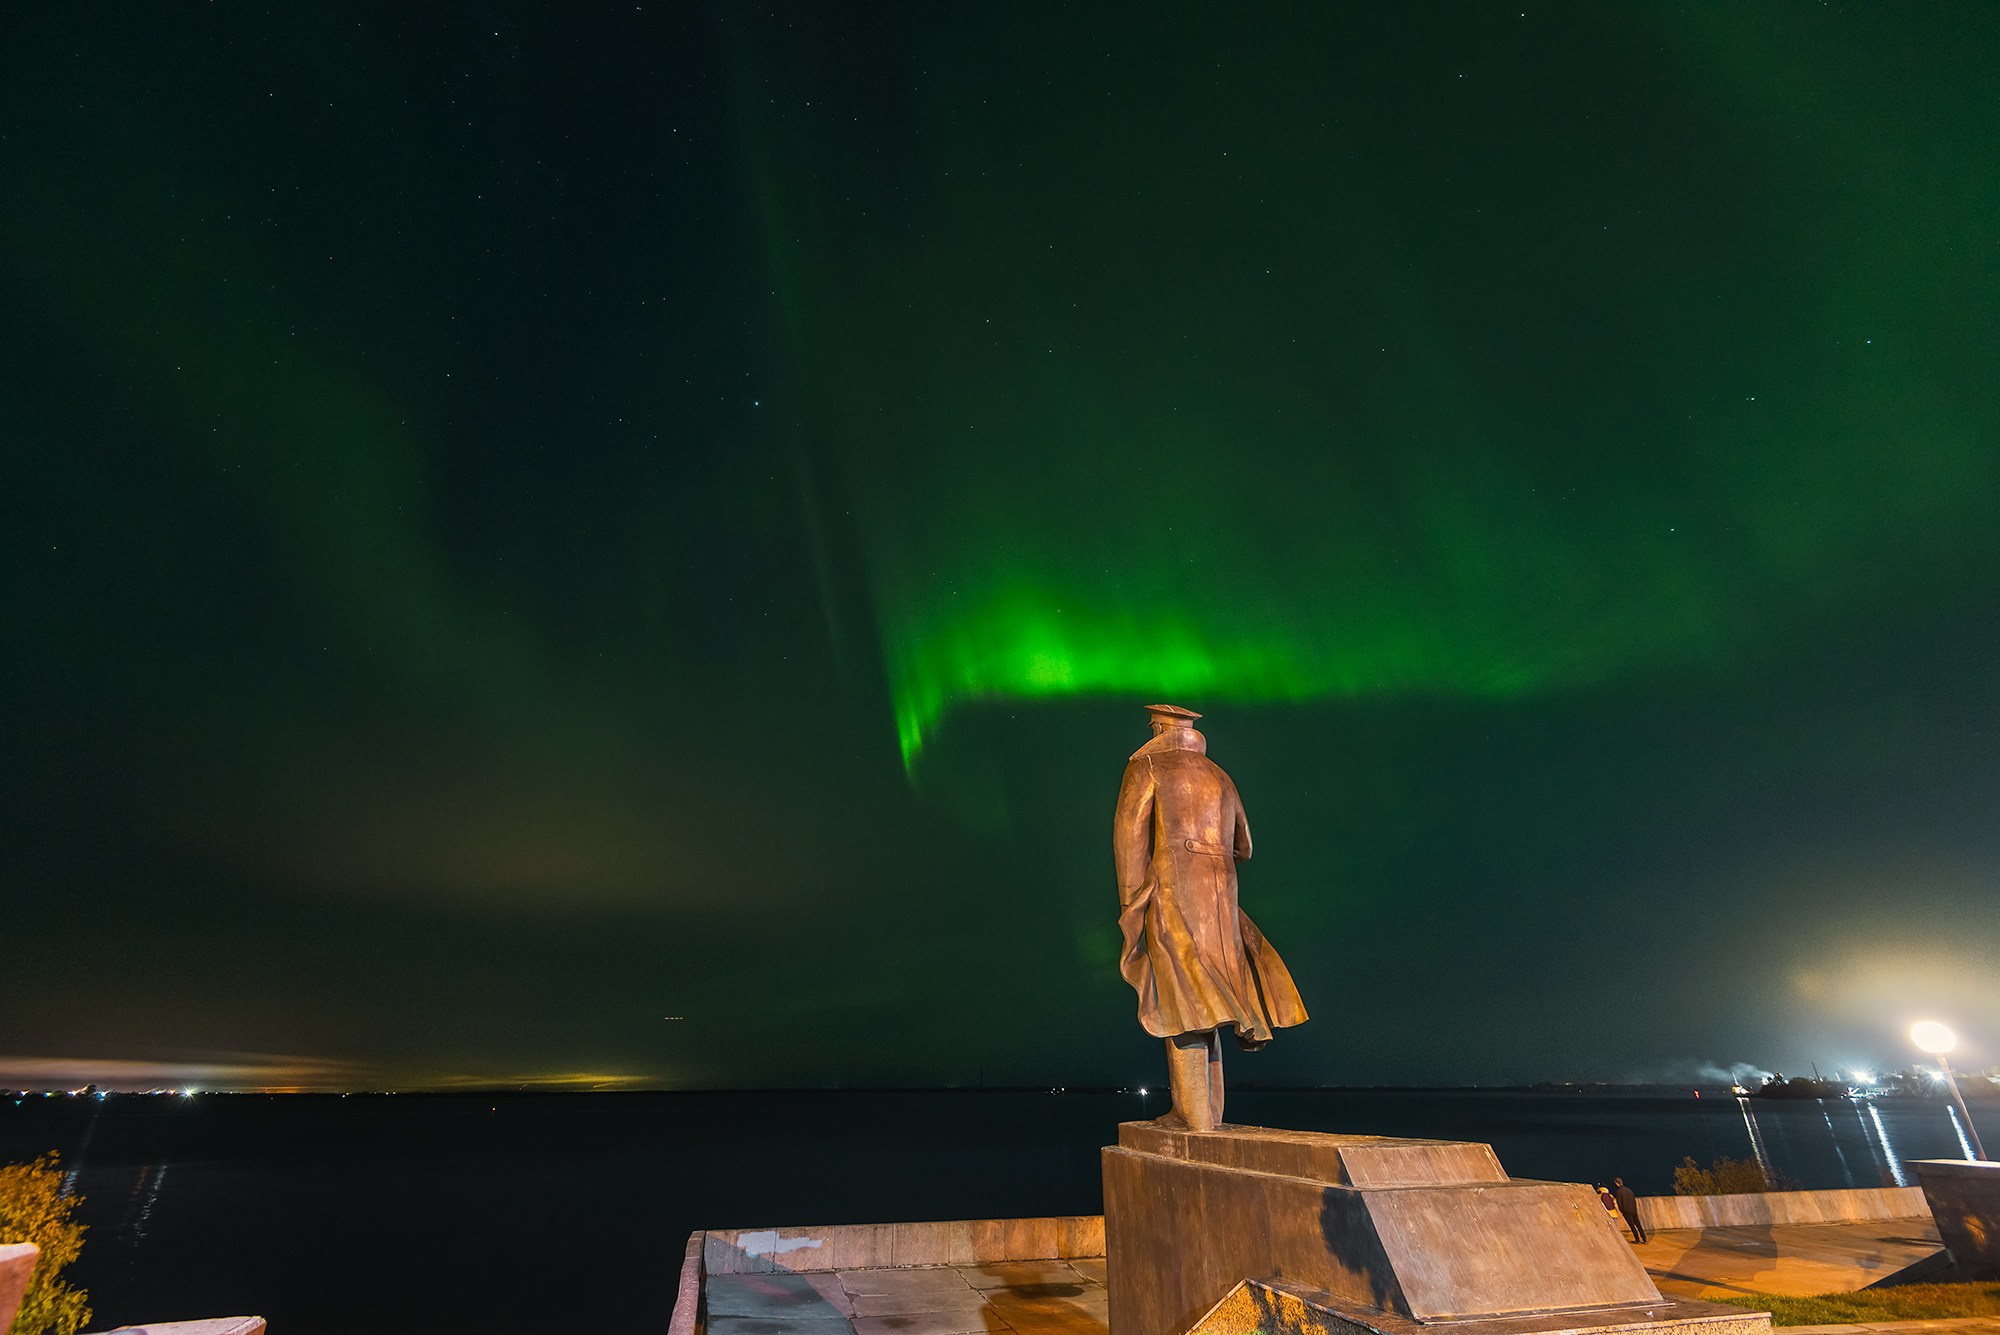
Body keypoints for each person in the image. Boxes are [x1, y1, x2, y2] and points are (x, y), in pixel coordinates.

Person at [1113, 703, 1307, 1132]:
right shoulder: (1218, 775)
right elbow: (1246, 847)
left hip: (1172, 892)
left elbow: (1130, 842)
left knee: (1182, 998)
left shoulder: (1147, 766)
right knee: (1210, 1001)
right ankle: (1210, 1116)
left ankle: (1192, 1117)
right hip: (1222, 899)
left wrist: (1132, 904)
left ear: (1160, 729)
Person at [1613, 1177, 1648, 1243]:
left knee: (1632, 1226)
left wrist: (1622, 1211)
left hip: (1626, 1211)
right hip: (1633, 1210)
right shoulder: (1629, 1190)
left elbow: (1620, 1203)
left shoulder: (1619, 1192)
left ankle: (1637, 1240)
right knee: (1638, 1225)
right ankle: (1644, 1239)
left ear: (1616, 1183)